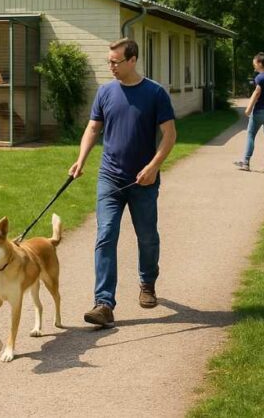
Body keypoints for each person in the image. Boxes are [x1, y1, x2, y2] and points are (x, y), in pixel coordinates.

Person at [68, 38, 177, 328]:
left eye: (116, 61)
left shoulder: (155, 93)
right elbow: (93, 128)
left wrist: (153, 167)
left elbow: (169, 135)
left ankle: (147, 283)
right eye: (109, 62)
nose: (111, 67)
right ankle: (103, 303)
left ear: (132, 60)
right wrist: (82, 159)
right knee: (105, 234)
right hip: (110, 177)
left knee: (147, 236)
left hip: (143, 180)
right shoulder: (105, 92)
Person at [234, 52, 264, 173]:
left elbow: (257, 93)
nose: (253, 65)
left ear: (259, 63)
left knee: (250, 134)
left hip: (259, 111)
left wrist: (248, 109)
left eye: (254, 63)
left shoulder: (259, 78)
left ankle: (246, 162)